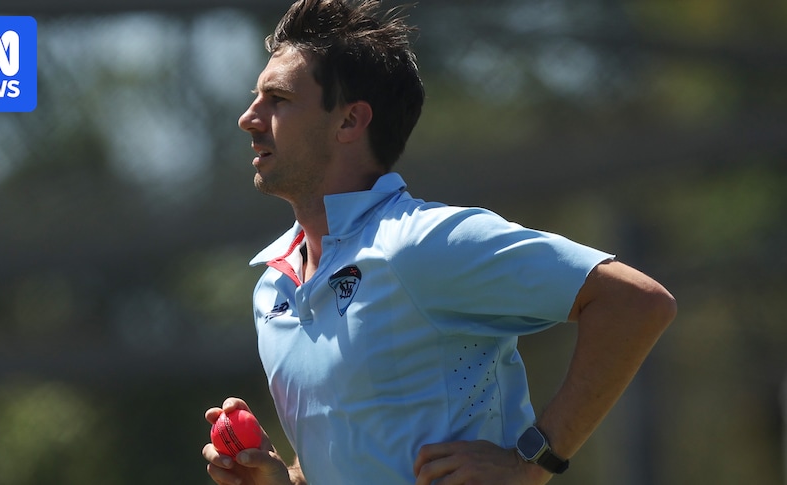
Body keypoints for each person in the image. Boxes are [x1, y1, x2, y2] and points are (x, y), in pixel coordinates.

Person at [201, 0, 677, 483]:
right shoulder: (272, 288)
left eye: (277, 98)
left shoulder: (421, 243)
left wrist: (532, 461)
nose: (249, 117)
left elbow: (634, 302)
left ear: (349, 122)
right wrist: (288, 479)